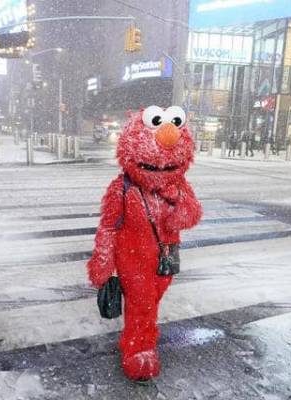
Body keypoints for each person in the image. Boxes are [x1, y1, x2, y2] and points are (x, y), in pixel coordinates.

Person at [88, 106, 202, 381]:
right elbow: (108, 227)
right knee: (142, 305)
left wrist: (176, 199)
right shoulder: (122, 188)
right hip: (132, 261)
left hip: (165, 261)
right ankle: (138, 350)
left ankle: (137, 337)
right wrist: (103, 263)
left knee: (149, 304)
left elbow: (189, 216)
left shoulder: (179, 184)